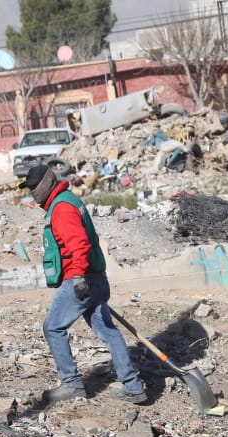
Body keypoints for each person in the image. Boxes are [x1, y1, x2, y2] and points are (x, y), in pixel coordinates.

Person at [21, 165, 147, 405]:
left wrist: (78, 278)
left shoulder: (62, 208)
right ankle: (133, 386)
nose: (32, 193)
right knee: (108, 331)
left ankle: (71, 384)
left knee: (53, 328)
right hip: (95, 277)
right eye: (29, 188)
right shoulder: (67, 200)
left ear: (46, 184)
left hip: (81, 279)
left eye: (34, 187)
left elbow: (80, 245)